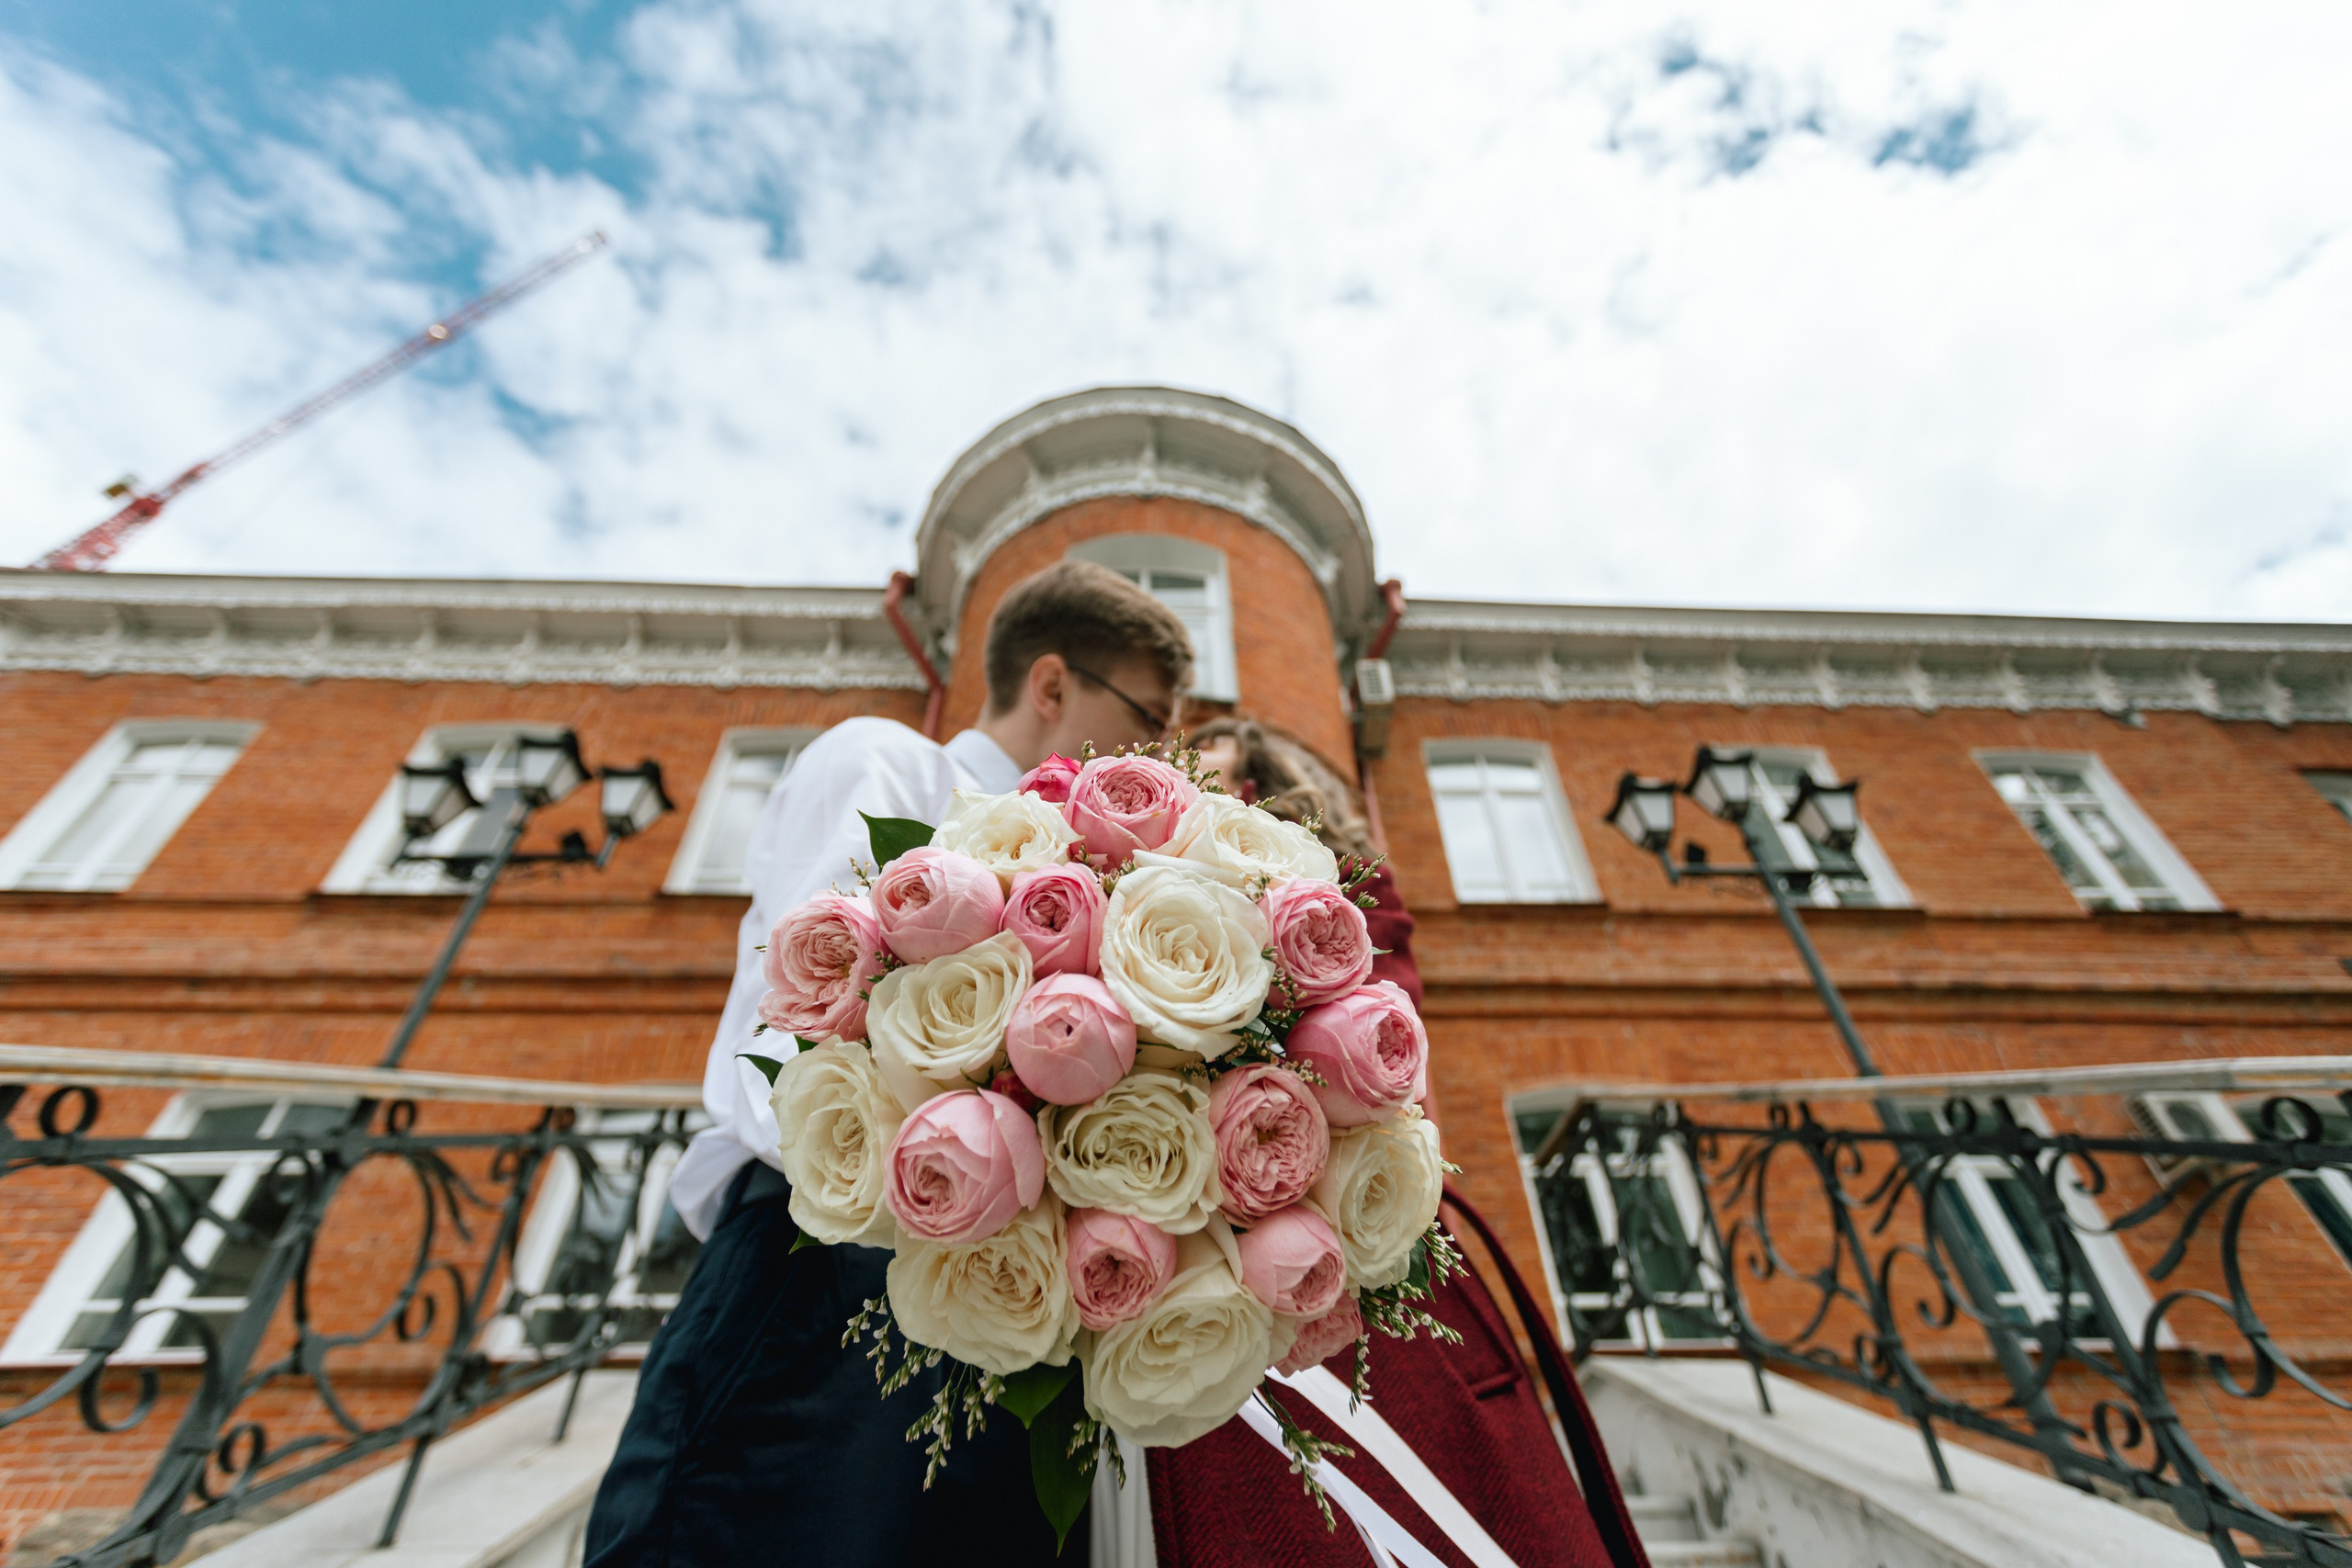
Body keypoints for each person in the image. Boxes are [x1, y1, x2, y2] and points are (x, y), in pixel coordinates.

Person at [585, 560, 1193, 1568]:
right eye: (1150, 717)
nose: (1164, 754)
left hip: (1011, 1304)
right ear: (1052, 688)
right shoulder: (894, 769)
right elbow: (796, 1044)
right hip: (827, 1277)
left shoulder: (1109, 880)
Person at [1150, 718, 1640, 1568]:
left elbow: (1383, 1051)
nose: (1198, 796)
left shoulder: (1348, 900)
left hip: (1357, 1255)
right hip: (1187, 1277)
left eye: (1223, 782)